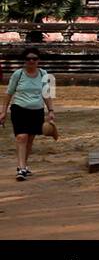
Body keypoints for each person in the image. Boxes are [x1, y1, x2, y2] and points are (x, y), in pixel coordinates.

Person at [1, 48, 56, 181]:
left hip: (36, 110)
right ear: (24, 61)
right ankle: (21, 168)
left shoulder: (44, 74)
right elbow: (9, 93)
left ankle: (23, 165)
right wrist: (3, 111)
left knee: (30, 139)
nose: (31, 61)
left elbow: (47, 94)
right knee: (21, 137)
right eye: (28, 59)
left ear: (38, 60)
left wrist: (51, 110)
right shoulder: (18, 74)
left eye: (34, 58)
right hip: (19, 109)